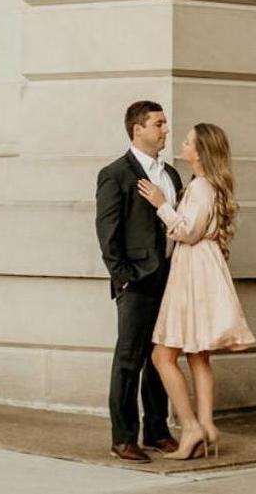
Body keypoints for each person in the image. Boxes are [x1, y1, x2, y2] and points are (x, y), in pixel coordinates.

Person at [137, 123, 255, 461]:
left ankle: (191, 427)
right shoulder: (206, 185)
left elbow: (188, 232)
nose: (182, 144)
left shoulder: (201, 187)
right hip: (203, 267)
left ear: (201, 152)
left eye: (188, 142)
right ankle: (207, 426)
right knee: (199, 354)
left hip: (193, 269)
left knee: (162, 356)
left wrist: (161, 204)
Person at [95, 101, 184, 463]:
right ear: (138, 129)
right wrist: (125, 279)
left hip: (170, 280)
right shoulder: (115, 174)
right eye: (158, 124)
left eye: (165, 123)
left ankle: (157, 431)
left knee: (160, 358)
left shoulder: (171, 175)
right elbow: (107, 234)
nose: (165, 130)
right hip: (137, 282)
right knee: (128, 361)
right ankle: (123, 438)